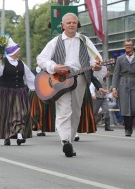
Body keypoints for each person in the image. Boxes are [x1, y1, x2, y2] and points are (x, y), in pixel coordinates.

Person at [37, 12, 106, 157]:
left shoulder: (84, 40)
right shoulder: (55, 41)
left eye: (74, 22)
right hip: (60, 80)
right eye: (68, 22)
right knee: (64, 111)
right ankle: (65, 141)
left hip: (80, 78)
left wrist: (97, 66)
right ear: (62, 25)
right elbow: (41, 58)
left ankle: (69, 141)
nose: (72, 25)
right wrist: (54, 67)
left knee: (76, 111)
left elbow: (96, 59)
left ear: (77, 24)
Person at [0, 37, 35, 146]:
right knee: (6, 114)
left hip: (20, 91)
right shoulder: (3, 62)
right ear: (12, 51)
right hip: (5, 92)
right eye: (17, 51)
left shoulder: (21, 63)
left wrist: (37, 88)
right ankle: (6, 135)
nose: (19, 53)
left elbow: (30, 77)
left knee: (20, 112)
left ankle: (19, 134)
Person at [112, 39, 135, 137]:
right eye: (126, 45)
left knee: (134, 107)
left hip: (134, 82)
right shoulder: (120, 59)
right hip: (123, 82)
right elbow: (115, 74)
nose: (128, 47)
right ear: (124, 46)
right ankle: (128, 129)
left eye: (130, 45)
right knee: (125, 107)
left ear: (133, 46)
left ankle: (131, 125)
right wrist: (114, 88)